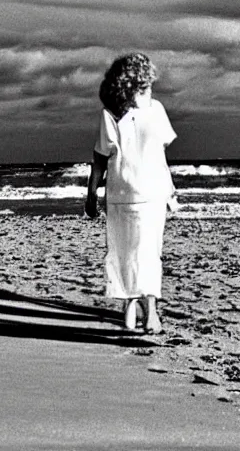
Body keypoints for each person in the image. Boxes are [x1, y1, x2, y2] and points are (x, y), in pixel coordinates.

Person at [85, 53, 177, 333]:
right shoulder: (156, 110)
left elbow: (100, 157)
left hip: (120, 192)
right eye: (146, 86)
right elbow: (160, 154)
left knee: (124, 251)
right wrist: (170, 191)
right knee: (149, 252)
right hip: (150, 191)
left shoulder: (109, 114)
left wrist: (91, 193)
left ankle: (129, 307)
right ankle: (150, 314)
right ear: (135, 87)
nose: (151, 91)